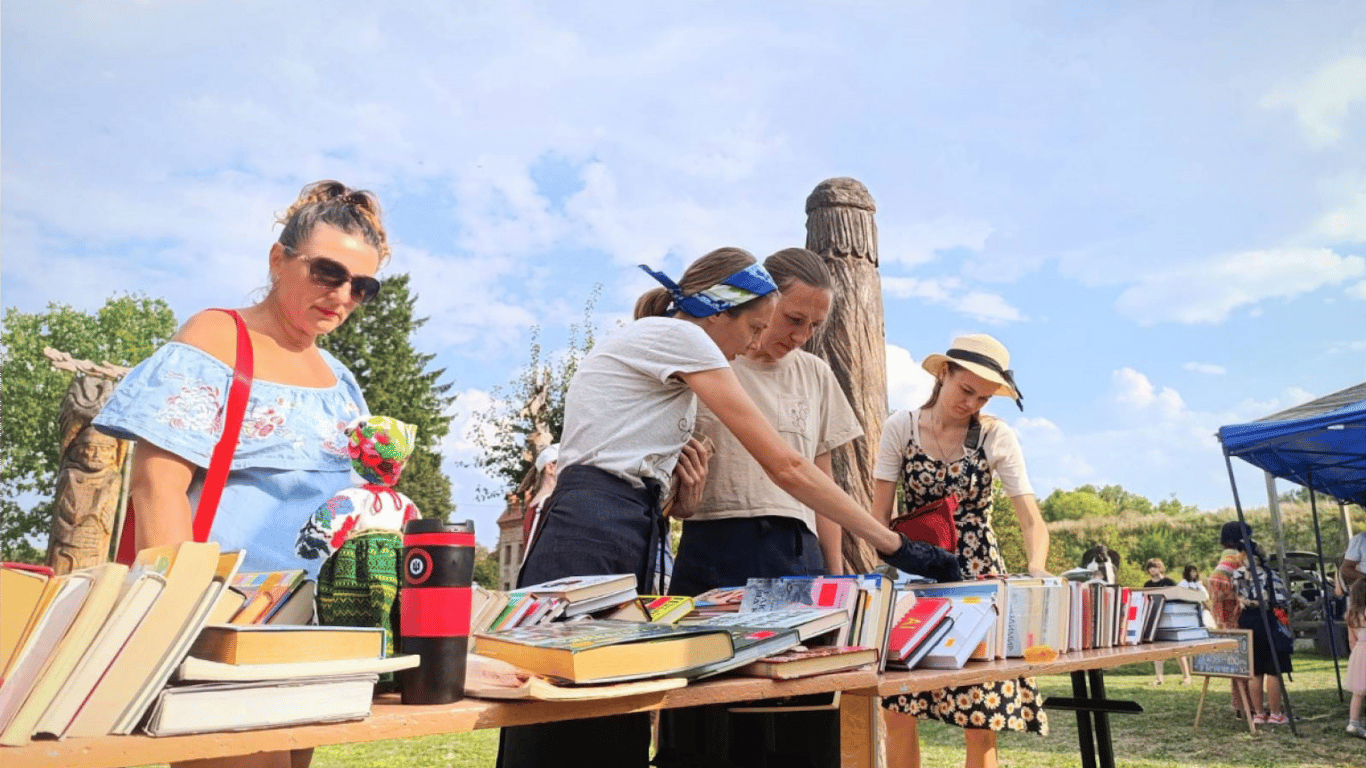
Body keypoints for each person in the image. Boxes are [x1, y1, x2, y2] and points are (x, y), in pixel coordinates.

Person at [498, 247, 959, 768]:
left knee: (613, 715)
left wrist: (679, 497)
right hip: (593, 529)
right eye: (756, 326)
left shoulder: (674, 355)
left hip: (627, 523)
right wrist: (893, 543)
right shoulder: (684, 338)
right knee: (568, 716)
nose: (757, 343)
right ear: (721, 310)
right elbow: (786, 466)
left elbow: (639, 465)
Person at [93, 180, 389, 768]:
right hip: (226, 627)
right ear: (279, 260)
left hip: (313, 633)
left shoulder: (340, 378)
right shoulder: (217, 339)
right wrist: (183, 625)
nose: (343, 296)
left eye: (363, 286)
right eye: (328, 272)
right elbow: (159, 485)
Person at [660, 247, 860, 768]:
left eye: (813, 326)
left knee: (800, 720)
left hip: (797, 556)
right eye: (793, 319)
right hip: (712, 553)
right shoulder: (707, 359)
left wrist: (834, 585)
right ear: (761, 301)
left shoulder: (815, 374)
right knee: (709, 719)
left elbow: (823, 483)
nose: (798, 335)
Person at [875, 334, 1050, 768]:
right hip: (916, 575)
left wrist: (1036, 568)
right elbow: (877, 519)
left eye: (984, 396)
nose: (972, 403)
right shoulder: (901, 426)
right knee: (899, 706)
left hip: (979, 578)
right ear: (943, 373)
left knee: (981, 709)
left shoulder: (995, 435)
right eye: (965, 389)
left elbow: (1031, 520)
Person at [1144, 558, 1191, 685]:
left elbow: (1178, 597)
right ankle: (1159, 678)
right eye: (1150, 567)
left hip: (1170, 618)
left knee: (1178, 648)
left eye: (1154, 566)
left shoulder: (1169, 581)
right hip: (1155, 619)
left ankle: (1187, 677)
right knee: (1156, 650)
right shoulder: (1147, 585)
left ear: (1160, 567)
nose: (1152, 569)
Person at [1344, 579, 1366, 739]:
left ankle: (1353, 723)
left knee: (1358, 692)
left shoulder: (1351, 614)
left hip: (1359, 652)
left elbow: (1351, 640)